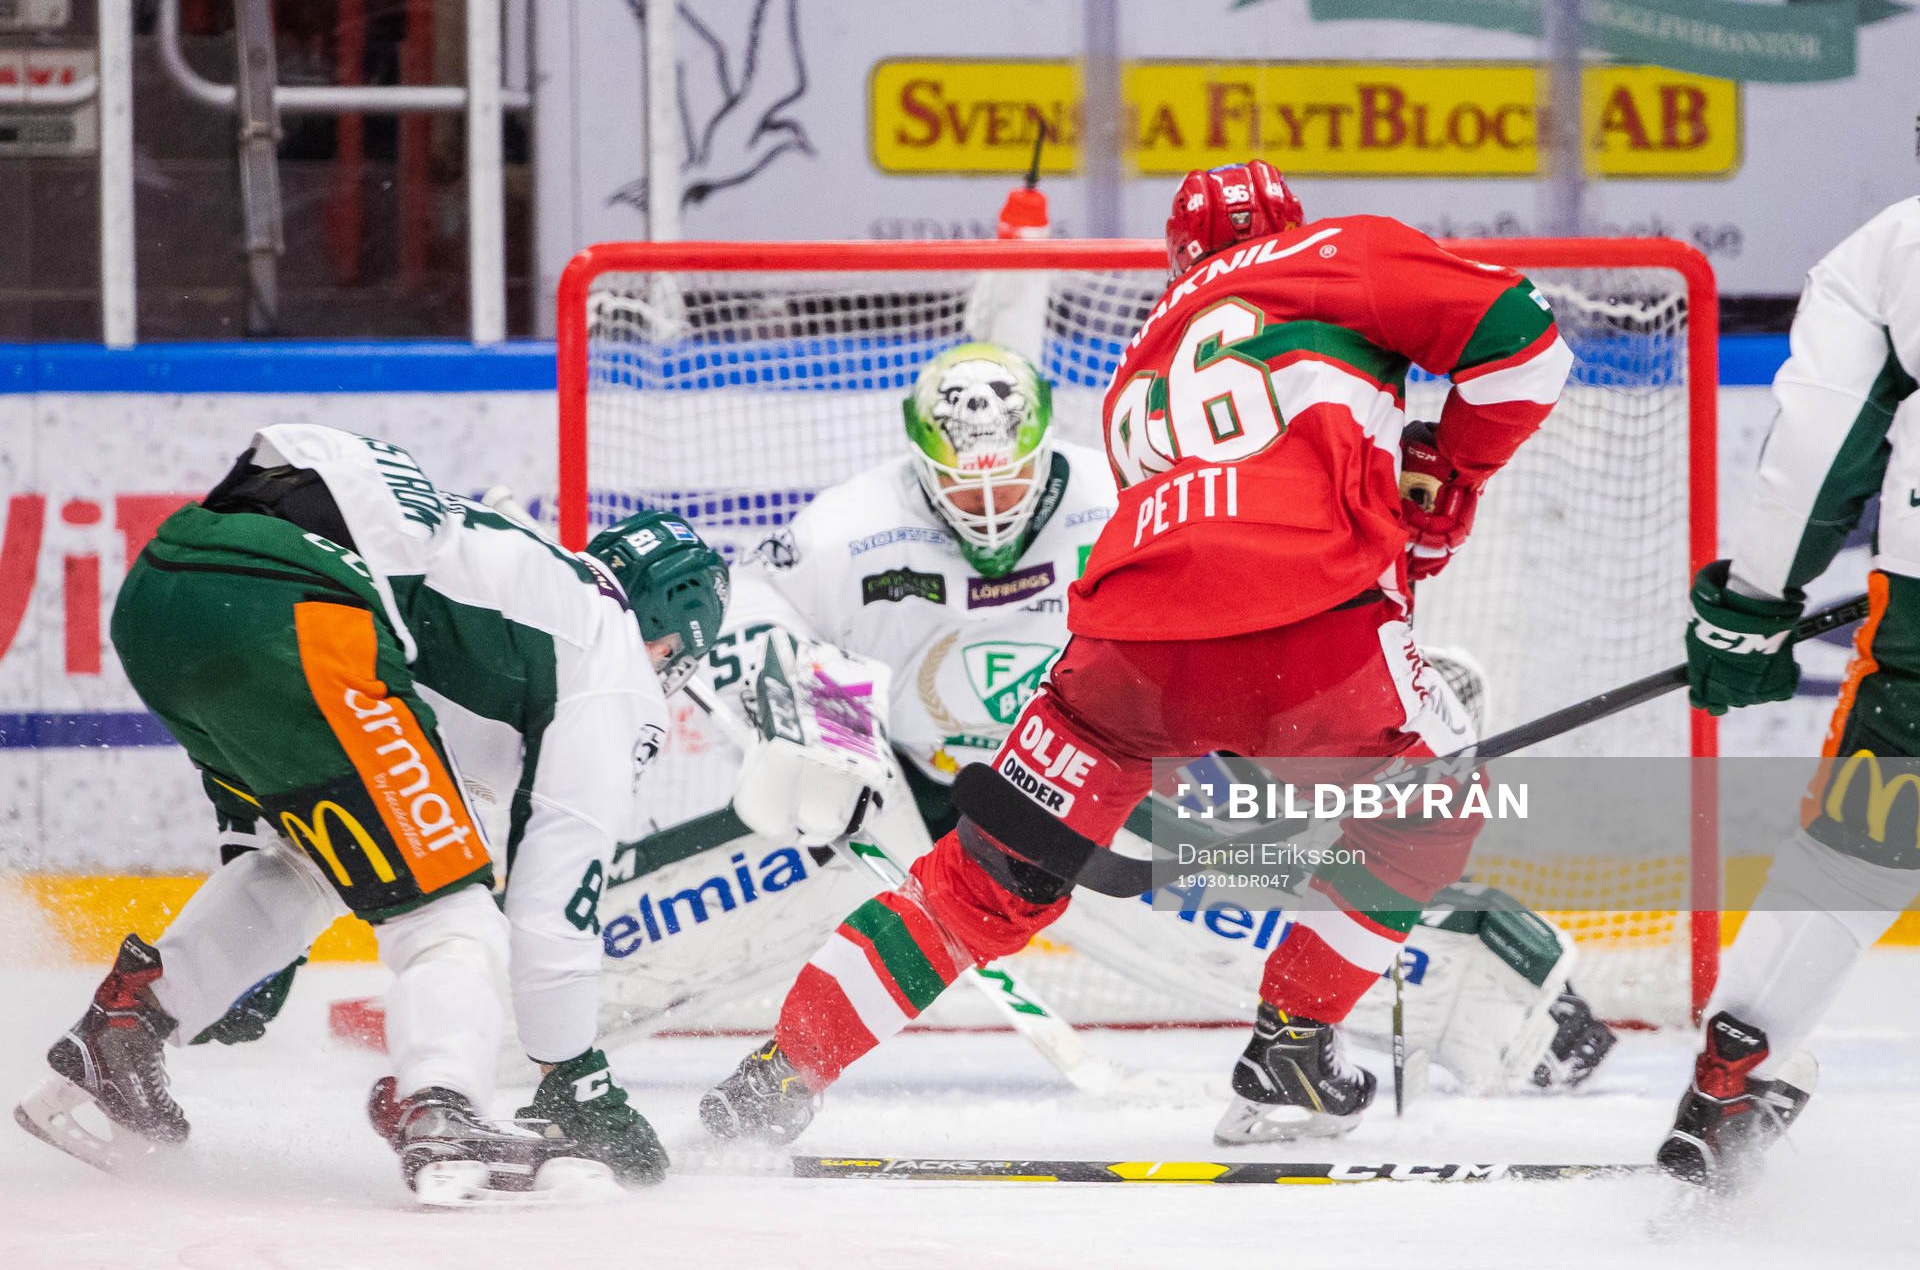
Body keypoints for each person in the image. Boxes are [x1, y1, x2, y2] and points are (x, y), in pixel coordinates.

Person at [697, 159, 1573, 1145]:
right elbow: (1526, 346)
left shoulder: (1143, 353)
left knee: (977, 882)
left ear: (1180, 259)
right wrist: (1446, 473)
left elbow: (1205, 537)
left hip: (1119, 659)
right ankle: (1291, 1049)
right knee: (1431, 802)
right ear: (1290, 223)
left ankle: (779, 1073)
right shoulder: (1342, 251)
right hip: (1307, 628)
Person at [13, 424, 728, 1204]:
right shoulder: (612, 656)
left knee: (313, 867)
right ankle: (444, 1110)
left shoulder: (523, 593)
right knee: (453, 918)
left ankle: (126, 1028)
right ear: (669, 642)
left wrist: (238, 935)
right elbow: (552, 911)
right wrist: (574, 1076)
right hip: (292, 606)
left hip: (166, 588)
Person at [1657, 194, 1920, 1190]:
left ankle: (1736, 1075)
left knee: (1868, 834)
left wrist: (1756, 601)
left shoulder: (1896, 244)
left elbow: (1820, 447)